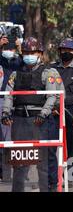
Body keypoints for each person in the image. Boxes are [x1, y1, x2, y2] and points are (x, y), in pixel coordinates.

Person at [1, 37, 63, 192]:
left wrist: (43, 114)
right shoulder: (16, 74)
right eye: (26, 52)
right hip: (19, 120)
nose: (29, 55)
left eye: (32, 52)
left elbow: (53, 96)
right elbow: (9, 94)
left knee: (42, 165)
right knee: (19, 163)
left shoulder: (48, 73)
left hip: (39, 122)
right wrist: (6, 112)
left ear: (40, 54)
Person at [51, 38, 73, 189]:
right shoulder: (52, 69)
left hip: (71, 111)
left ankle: (71, 177)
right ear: (59, 52)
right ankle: (52, 175)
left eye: (69, 51)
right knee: (51, 144)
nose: (66, 53)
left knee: (72, 145)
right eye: (63, 50)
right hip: (53, 111)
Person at [0, 37, 22, 182]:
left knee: (18, 138)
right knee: (4, 138)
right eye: (6, 49)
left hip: (17, 101)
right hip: (2, 100)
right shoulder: (1, 60)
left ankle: (20, 172)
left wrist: (20, 50)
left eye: (11, 49)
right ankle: (5, 173)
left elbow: (25, 62)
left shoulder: (17, 62)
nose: (9, 51)